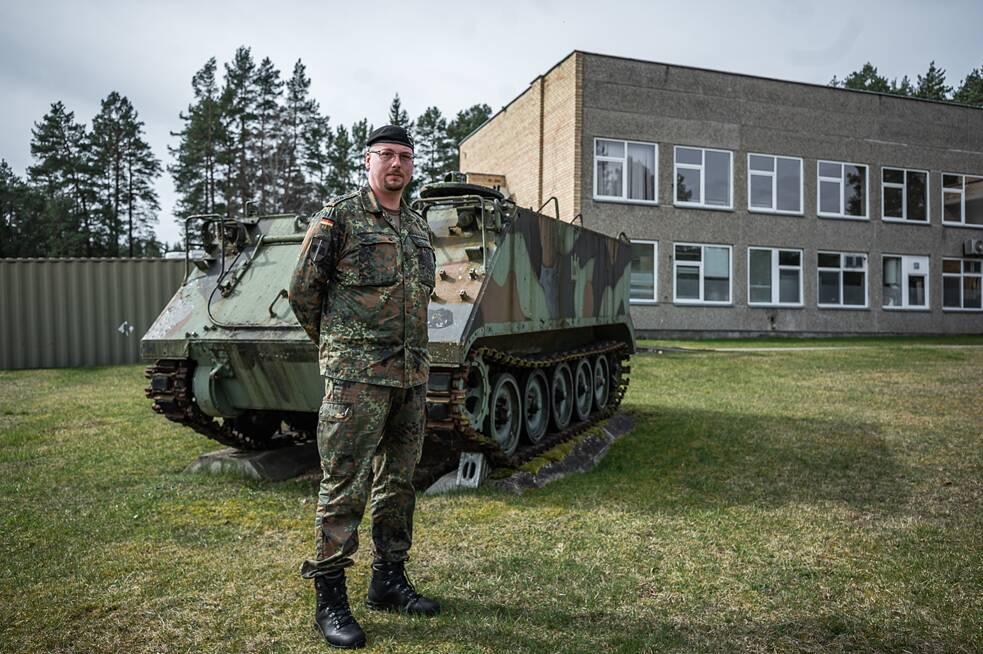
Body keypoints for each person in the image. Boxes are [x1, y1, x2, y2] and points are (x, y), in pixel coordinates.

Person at [289, 124, 439, 649]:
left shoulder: (419, 229)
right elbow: (303, 291)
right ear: (368, 161)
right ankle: (330, 599)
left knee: (398, 483)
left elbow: (421, 297)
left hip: (411, 376)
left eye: (404, 156)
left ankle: (388, 580)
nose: (396, 164)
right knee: (344, 485)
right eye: (386, 155)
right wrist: (339, 349)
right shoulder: (340, 218)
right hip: (356, 380)